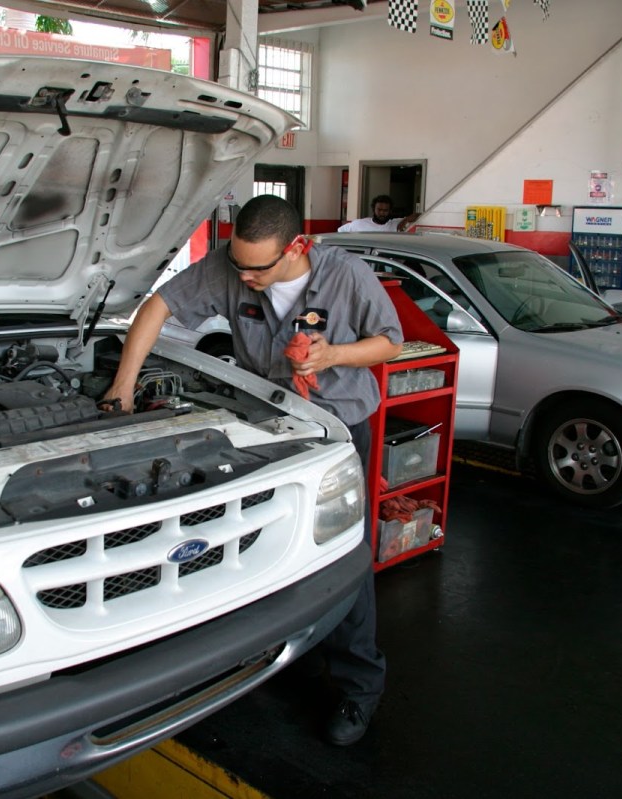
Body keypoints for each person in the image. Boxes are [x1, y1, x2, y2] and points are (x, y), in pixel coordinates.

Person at [104, 194, 403, 746]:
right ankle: (268, 654)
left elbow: (389, 341)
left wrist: (332, 356)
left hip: (334, 434)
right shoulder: (230, 266)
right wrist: (123, 387)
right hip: (264, 430)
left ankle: (359, 689)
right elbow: (157, 308)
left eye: (256, 268)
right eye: (237, 264)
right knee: (255, 548)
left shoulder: (347, 275)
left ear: (297, 247)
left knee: (342, 558)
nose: (243, 276)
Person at [338, 194, 420, 233]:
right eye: (379, 210)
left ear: (390, 211)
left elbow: (418, 215)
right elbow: (340, 231)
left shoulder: (396, 223)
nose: (382, 213)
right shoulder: (359, 224)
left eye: (385, 210)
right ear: (373, 209)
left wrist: (406, 220)